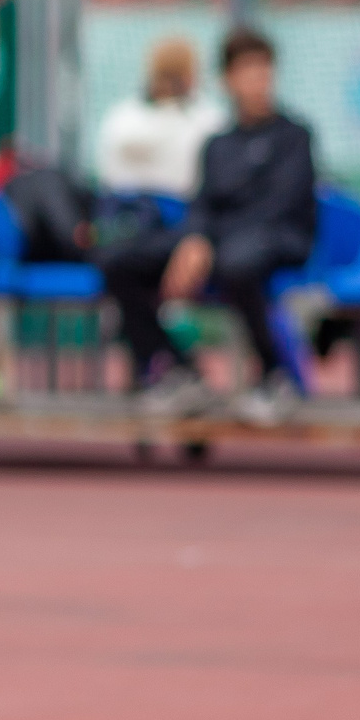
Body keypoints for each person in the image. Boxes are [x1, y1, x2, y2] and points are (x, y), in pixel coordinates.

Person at [101, 28, 317, 428]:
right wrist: (193, 240)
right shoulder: (217, 144)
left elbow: (277, 209)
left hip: (280, 241)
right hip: (220, 244)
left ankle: (276, 376)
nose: (258, 79)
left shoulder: (295, 137)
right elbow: (201, 205)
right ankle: (177, 371)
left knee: (239, 261)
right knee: (117, 260)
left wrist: (208, 245)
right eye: (247, 70)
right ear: (227, 80)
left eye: (263, 69)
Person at [92, 36, 220, 198]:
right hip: (180, 212)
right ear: (189, 75)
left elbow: (106, 174)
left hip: (123, 211)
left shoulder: (120, 116)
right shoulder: (207, 120)